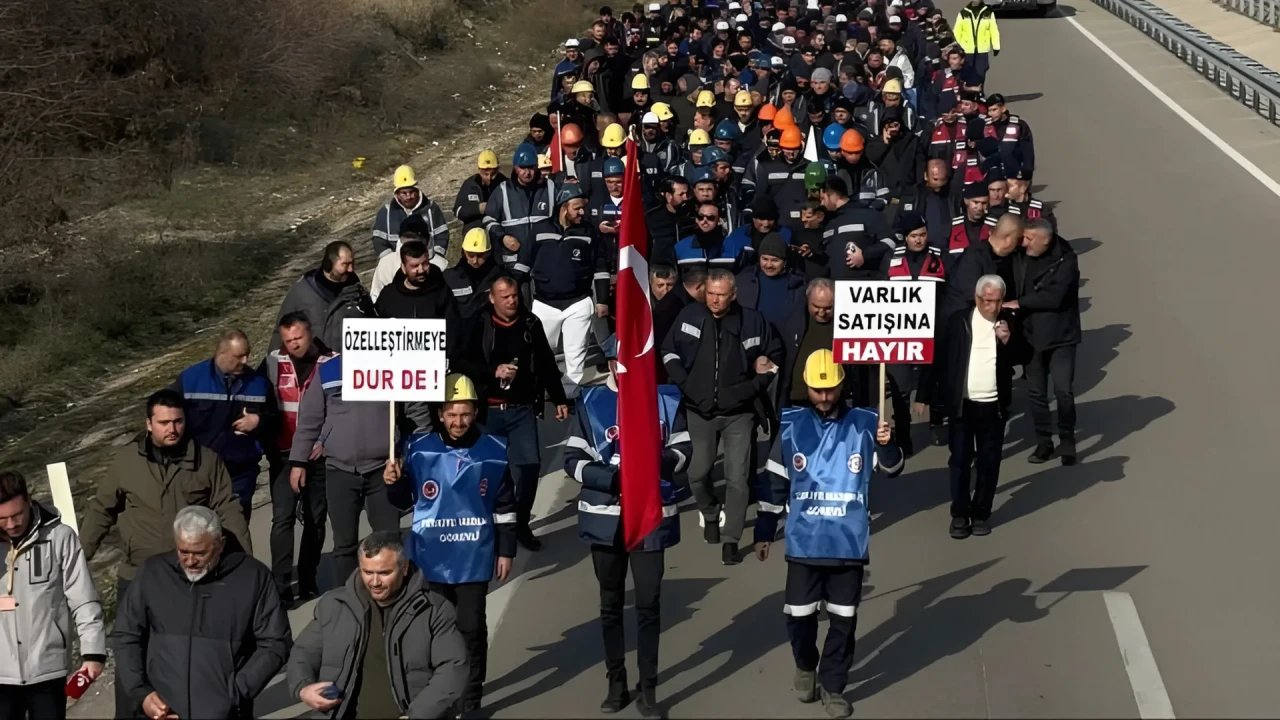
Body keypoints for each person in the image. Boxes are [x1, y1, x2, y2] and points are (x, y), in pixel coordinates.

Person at [754, 349, 903, 720]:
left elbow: (894, 468)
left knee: (843, 620)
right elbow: (774, 482)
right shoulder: (789, 425)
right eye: (818, 391)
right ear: (807, 386)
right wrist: (763, 530)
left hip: (848, 543)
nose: (824, 397)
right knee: (799, 618)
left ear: (841, 385)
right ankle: (806, 665)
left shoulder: (867, 422)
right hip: (804, 542)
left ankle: (834, 687)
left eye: (831, 390)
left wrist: (886, 444)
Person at [563, 337, 690, 716]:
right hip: (605, 519)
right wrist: (612, 479)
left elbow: (684, 451)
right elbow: (572, 459)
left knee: (649, 602)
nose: (630, 365)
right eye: (623, 359)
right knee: (611, 604)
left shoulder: (664, 398)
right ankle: (616, 681)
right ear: (611, 362)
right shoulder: (589, 401)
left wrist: (654, 465)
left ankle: (648, 686)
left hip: (651, 515)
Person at [384, 374, 518, 716]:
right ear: (440, 413)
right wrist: (394, 482)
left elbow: (505, 507)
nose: (458, 421)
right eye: (451, 414)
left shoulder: (494, 450)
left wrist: (506, 550)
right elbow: (403, 502)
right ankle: (439, 696)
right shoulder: (418, 448)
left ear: (475, 412)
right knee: (431, 632)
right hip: (430, 557)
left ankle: (470, 699)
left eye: (465, 413)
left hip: (475, 555)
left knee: (471, 629)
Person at [113, 506, 291, 720]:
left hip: (225, 712)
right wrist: (141, 692)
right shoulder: (153, 573)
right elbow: (126, 634)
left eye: (199, 553)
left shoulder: (253, 578)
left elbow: (275, 642)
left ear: (220, 545)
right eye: (183, 551)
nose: (190, 561)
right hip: (162, 711)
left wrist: (235, 691)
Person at [81, 389, 252, 601]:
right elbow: (101, 510)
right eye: (164, 423)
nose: (172, 429)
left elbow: (228, 510)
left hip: (190, 574)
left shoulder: (207, 461)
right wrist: (79, 558)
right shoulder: (126, 460)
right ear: (149, 424)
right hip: (138, 573)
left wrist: (245, 564)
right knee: (130, 634)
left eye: (178, 421)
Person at [661, 269, 783, 565]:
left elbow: (774, 355)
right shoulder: (689, 316)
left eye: (721, 295)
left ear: (733, 294)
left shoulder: (753, 321)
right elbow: (668, 352)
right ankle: (711, 512)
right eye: (710, 294)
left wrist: (756, 384)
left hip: (740, 413)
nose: (714, 300)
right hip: (699, 411)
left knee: (738, 478)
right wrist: (686, 385)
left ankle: (732, 539)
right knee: (697, 473)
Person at [288, 531, 469, 720]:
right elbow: (303, 652)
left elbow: (453, 666)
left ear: (405, 567)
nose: (375, 582)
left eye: (384, 573)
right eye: (368, 572)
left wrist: (419, 715)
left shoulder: (434, 610)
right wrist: (303, 687)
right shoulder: (334, 605)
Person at [452, 276, 570, 551]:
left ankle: (520, 523)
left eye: (515, 295)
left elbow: (545, 362)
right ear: (492, 298)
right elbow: (460, 360)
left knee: (529, 467)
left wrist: (559, 398)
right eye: (505, 297)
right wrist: (493, 371)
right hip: (488, 411)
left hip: (521, 409)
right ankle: (489, 524)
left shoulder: (530, 323)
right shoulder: (479, 324)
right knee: (488, 471)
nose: (512, 301)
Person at [0, 471, 105, 720]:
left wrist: (93, 652)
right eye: (2, 519)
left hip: (47, 670)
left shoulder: (60, 537)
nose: (12, 524)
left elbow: (83, 598)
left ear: (29, 501)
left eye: (17, 515)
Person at [290, 351, 399, 585]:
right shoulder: (328, 370)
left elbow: (412, 410)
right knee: (344, 544)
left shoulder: (391, 364)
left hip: (382, 469)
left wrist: (403, 454)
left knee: (389, 539)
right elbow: (310, 418)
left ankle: (394, 594)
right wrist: (298, 461)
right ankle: (350, 600)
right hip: (339, 470)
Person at [921, 275, 1016, 539]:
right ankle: (960, 515)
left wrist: (1008, 342)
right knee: (960, 461)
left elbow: (1025, 356)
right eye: (987, 301)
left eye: (997, 301)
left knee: (989, 462)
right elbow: (938, 358)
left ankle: (981, 513)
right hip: (962, 405)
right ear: (977, 299)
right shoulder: (958, 321)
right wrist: (924, 395)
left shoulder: (1008, 322)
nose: (992, 307)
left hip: (993, 406)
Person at [261, 312, 331, 605]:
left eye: (298, 338)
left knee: (315, 519)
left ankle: (308, 578)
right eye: (287, 340)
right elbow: (258, 397)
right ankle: (280, 585)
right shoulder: (272, 362)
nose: (293, 345)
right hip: (284, 452)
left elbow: (342, 406)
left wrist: (325, 440)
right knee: (283, 519)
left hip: (319, 452)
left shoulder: (332, 362)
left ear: (310, 333)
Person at [172, 328, 272, 519]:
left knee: (236, 527)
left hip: (240, 472)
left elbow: (275, 419)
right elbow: (165, 412)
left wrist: (259, 421)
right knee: (199, 530)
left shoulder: (258, 383)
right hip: (198, 472)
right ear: (221, 353)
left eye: (247, 355)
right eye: (239, 356)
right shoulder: (191, 379)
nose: (245, 361)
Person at [1010, 219, 1081, 465]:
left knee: (1063, 391)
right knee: (1036, 393)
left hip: (1061, 336)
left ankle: (1067, 440)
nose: (1024, 243)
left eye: (1030, 239)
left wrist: (1021, 303)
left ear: (1046, 240)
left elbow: (1055, 297)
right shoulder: (1021, 255)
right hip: (1031, 335)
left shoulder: (1067, 260)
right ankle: (1044, 442)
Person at [530, 184, 611, 399]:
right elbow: (522, 267)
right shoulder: (539, 230)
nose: (582, 212)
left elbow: (601, 267)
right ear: (564, 208)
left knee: (576, 356)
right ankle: (544, 392)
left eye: (583, 208)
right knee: (539, 353)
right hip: (544, 304)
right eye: (577, 208)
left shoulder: (589, 232)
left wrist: (602, 300)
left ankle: (569, 396)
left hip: (578, 303)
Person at [883, 213, 947, 453]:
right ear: (905, 238)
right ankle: (904, 435)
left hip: (931, 331)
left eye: (922, 235)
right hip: (899, 333)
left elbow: (948, 293)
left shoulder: (940, 257)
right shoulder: (892, 260)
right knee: (900, 387)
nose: (919, 240)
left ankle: (937, 421)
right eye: (914, 236)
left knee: (935, 380)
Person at [273, 240, 371, 351]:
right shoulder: (303, 291)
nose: (351, 269)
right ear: (329, 264)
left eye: (352, 263)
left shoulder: (357, 291)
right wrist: (273, 364)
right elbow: (281, 331)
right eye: (345, 264)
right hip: (314, 363)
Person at [372, 164, 451, 269]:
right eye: (404, 193)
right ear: (397, 194)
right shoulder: (386, 212)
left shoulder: (431, 209)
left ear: (417, 190)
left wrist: (433, 259)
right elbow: (378, 240)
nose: (408, 197)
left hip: (426, 264)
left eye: (412, 192)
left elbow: (442, 236)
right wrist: (390, 262)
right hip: (395, 267)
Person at [444, 228, 504, 320]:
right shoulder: (450, 278)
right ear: (464, 252)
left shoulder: (499, 278)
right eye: (471, 255)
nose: (475, 261)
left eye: (480, 256)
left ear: (488, 253)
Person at [454, 150, 508, 232]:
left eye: (493, 174)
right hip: (475, 229)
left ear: (497, 170)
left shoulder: (505, 183)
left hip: (499, 227)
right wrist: (478, 208)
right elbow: (458, 211)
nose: (489, 178)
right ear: (479, 170)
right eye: (485, 174)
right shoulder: (470, 185)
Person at [953, 0, 1000, 85]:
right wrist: (958, 47)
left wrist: (996, 46)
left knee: (981, 72)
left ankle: (979, 92)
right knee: (966, 72)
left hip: (982, 49)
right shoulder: (963, 13)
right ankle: (966, 91)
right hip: (967, 49)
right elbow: (957, 31)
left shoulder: (988, 13)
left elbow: (993, 30)